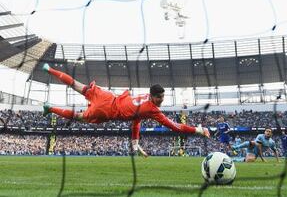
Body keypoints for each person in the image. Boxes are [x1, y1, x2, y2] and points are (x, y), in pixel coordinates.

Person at [41, 63, 210, 157]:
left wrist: (135, 144)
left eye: (163, 97)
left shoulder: (144, 99)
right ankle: (51, 108)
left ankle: (49, 69)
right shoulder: (152, 109)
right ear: (153, 96)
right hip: (107, 111)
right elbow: (174, 127)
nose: (162, 100)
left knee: (77, 85)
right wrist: (199, 130)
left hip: (108, 97)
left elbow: (136, 121)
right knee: (79, 117)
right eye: (160, 97)